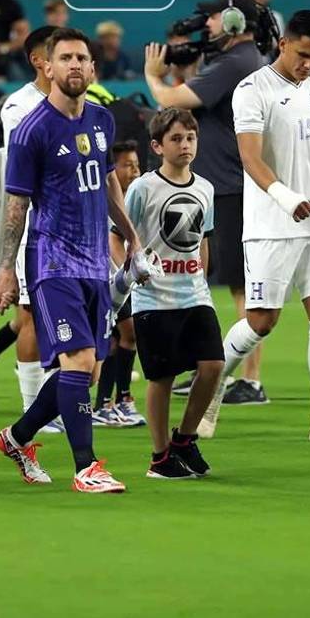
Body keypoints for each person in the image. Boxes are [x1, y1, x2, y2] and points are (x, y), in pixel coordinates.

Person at [0, 27, 147, 493]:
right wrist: (4, 269)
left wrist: (131, 235)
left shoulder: (102, 121)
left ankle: (17, 438)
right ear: (48, 67)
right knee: (78, 360)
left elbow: (107, 182)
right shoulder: (30, 131)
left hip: (96, 261)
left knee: (88, 369)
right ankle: (86, 468)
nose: (75, 65)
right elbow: (16, 206)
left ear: (93, 68)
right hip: (52, 261)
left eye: (82, 58)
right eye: (66, 58)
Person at [218, 9, 310, 443]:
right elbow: (250, 158)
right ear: (283, 43)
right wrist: (287, 199)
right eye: (303, 54)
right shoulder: (252, 89)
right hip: (271, 224)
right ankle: (210, 387)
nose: (309, 64)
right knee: (261, 321)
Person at [142, 0, 269, 414]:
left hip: (230, 185)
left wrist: (153, 74)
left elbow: (171, 102)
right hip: (226, 184)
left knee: (239, 284)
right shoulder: (239, 60)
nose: (208, 25)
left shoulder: (235, 61)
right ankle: (216, 368)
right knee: (207, 279)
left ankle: (249, 378)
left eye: (213, 18)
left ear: (233, 20)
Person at [0, 25, 60, 427]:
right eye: (61, 54)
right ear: (39, 60)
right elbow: (37, 157)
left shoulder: (79, 102)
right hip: (35, 224)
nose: (71, 61)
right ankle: (32, 409)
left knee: (42, 317)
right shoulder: (18, 105)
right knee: (33, 317)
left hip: (71, 225)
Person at [119, 109, 222, 477]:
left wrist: (203, 279)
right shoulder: (143, 189)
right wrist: (130, 274)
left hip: (194, 294)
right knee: (160, 378)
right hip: (154, 298)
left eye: (190, 138)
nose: (185, 145)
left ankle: (185, 439)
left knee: (213, 366)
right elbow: (119, 237)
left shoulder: (205, 188)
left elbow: (202, 240)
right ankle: (160, 457)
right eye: (176, 139)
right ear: (157, 145)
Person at [92, 139, 144, 427]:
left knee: (123, 336)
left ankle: (116, 400)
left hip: (119, 275)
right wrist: (125, 273)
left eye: (137, 165)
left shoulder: (132, 194)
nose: (134, 171)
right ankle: (107, 402)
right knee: (120, 335)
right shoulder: (109, 196)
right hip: (108, 276)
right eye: (128, 165)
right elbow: (113, 239)